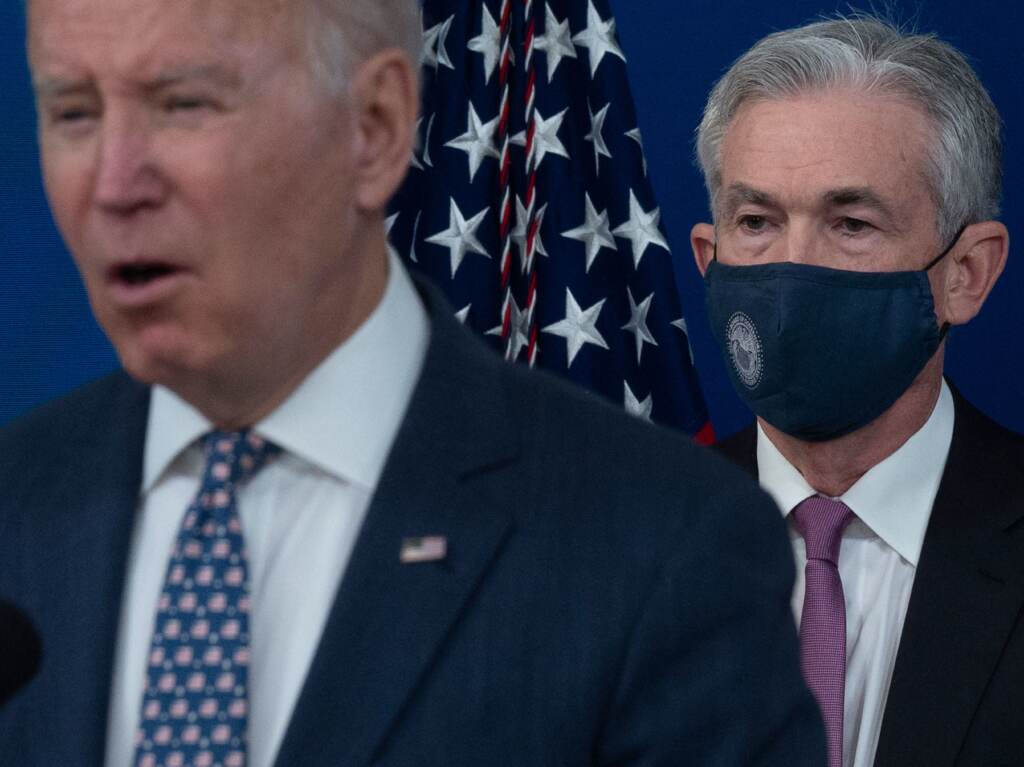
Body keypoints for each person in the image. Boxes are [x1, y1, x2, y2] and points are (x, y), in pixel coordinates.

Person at [0, 1, 825, 765]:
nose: (112, 185)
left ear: (375, 126)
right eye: (74, 111)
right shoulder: (14, 506)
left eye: (182, 105)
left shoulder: (667, 547)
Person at [690, 14, 1024, 767]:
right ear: (709, 259)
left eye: (850, 222)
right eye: (756, 220)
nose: (791, 269)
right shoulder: (613, 542)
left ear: (965, 273)